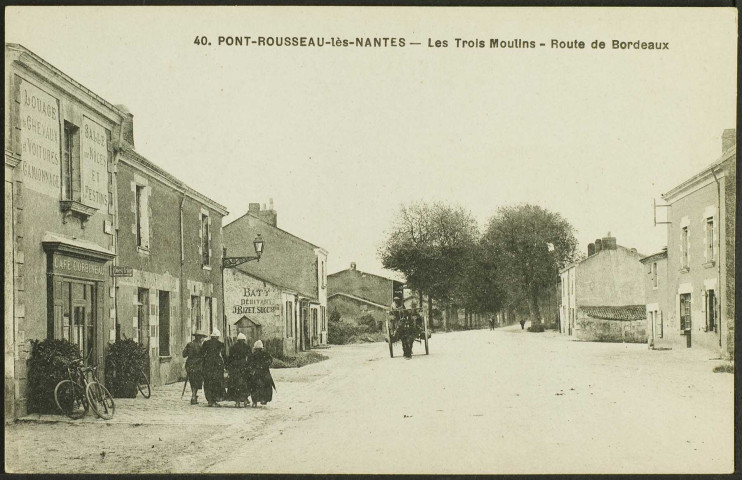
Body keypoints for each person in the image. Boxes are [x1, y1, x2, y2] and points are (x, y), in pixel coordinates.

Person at [201, 328, 226, 407]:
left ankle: (209, 400)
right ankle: (214, 400)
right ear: (217, 337)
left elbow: (202, 353)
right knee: (216, 382)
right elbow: (224, 355)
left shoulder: (206, 343)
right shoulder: (220, 344)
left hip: (207, 364)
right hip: (217, 364)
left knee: (208, 382)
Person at [182, 330, 207, 405]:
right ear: (199, 337)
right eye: (201, 337)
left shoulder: (189, 344)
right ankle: (193, 396)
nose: (202, 338)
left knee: (192, 380)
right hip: (198, 365)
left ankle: (193, 395)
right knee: (197, 380)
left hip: (189, 365)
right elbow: (204, 355)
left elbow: (184, 354)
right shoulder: (202, 346)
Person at [227, 333, 251, 408]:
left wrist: (229, 368)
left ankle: (237, 402)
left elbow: (229, 359)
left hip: (235, 368)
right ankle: (244, 400)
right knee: (244, 383)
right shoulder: (247, 347)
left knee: (235, 384)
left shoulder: (232, 347)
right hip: (244, 367)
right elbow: (250, 357)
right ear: (244, 340)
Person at [249, 340, 276, 407]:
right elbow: (270, 360)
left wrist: (254, 367)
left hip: (256, 373)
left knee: (254, 386)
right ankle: (263, 399)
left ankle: (254, 401)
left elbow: (250, 363)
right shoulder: (265, 354)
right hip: (264, 372)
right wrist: (264, 365)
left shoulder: (253, 355)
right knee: (265, 386)